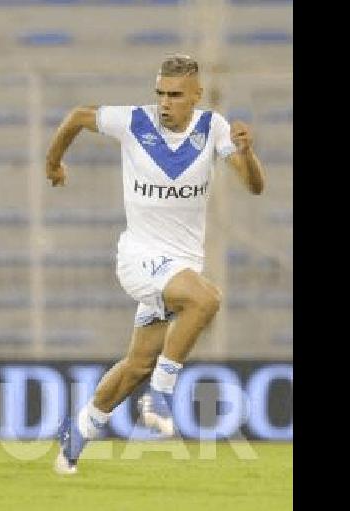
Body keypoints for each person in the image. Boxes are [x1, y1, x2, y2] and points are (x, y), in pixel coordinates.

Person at [44, 54, 265, 474]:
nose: (165, 102)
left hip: (179, 265)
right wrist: (52, 164)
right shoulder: (133, 122)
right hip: (139, 258)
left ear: (196, 96)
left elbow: (254, 186)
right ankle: (161, 395)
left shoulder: (213, 128)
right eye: (160, 93)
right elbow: (76, 117)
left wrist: (247, 152)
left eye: (175, 95)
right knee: (207, 299)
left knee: (136, 365)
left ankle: (78, 431)